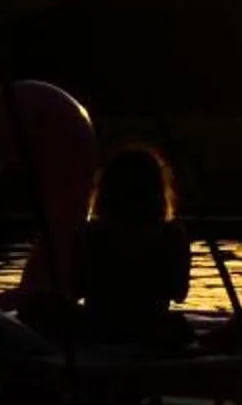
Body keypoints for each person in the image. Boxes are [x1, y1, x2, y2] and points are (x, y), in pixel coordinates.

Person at [75, 144, 194, 348]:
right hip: (151, 330)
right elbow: (179, 293)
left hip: (98, 329)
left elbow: (75, 287)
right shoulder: (172, 235)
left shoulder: (91, 233)